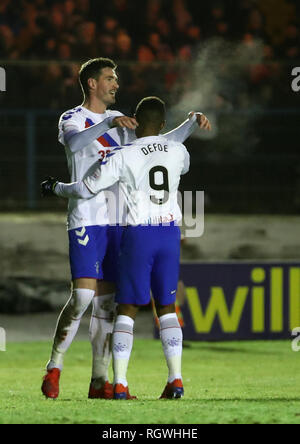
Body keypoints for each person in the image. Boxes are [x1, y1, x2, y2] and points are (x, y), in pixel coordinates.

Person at [41, 57, 211, 400]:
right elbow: (74, 145)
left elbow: (158, 141)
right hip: (87, 217)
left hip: (120, 218)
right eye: (109, 78)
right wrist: (108, 125)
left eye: (116, 79)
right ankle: (54, 366)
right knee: (83, 297)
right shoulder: (73, 118)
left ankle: (100, 381)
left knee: (107, 305)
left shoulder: (123, 124)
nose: (116, 84)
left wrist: (190, 124)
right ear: (92, 83)